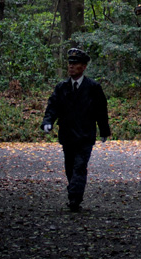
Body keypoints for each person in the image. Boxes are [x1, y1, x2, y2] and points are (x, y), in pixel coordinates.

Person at [42, 48, 111, 212]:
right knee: (69, 167)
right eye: (70, 63)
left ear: (84, 67)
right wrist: (48, 122)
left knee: (80, 166)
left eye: (75, 64)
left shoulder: (93, 87)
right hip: (67, 135)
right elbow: (53, 106)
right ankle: (74, 193)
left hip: (85, 136)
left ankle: (74, 198)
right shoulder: (62, 87)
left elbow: (101, 110)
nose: (71, 66)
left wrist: (104, 130)